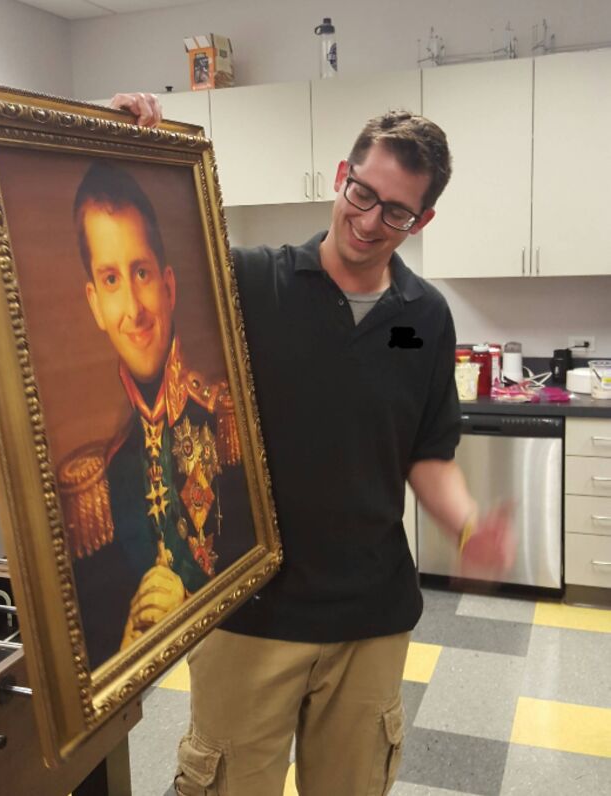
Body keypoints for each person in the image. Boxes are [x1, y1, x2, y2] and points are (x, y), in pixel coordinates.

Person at [110, 92, 514, 795]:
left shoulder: (425, 316)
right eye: (363, 193)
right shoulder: (249, 282)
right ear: (341, 174)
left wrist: (468, 525)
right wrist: (127, 145)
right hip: (248, 612)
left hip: (370, 616)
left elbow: (427, 453)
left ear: (424, 219)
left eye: (397, 212)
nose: (368, 220)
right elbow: (145, 253)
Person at [58, 159, 256, 669]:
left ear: (168, 286)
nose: (133, 308)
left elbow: (258, 559)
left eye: (141, 273)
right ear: (94, 304)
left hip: (241, 652)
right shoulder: (105, 473)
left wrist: (193, 606)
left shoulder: (225, 419)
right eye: (110, 279)